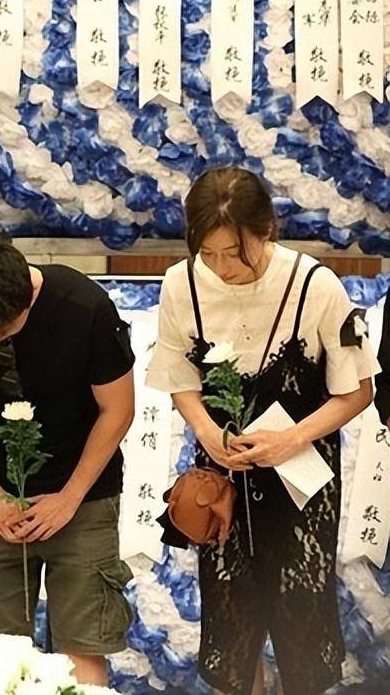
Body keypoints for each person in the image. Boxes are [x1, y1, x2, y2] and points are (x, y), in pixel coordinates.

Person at [147, 168, 376, 695]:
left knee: (302, 614)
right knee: (231, 616)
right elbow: (179, 377)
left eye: (235, 252)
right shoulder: (182, 284)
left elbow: (357, 391)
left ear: (267, 229)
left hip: (302, 479)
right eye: (208, 253)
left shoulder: (314, 285)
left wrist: (291, 438)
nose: (222, 267)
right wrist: (207, 431)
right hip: (223, 477)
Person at [0, 233, 135, 687]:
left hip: (84, 493)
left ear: (30, 296)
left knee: (83, 648)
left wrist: (69, 498)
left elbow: (117, 410)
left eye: (2, 328)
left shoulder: (84, 306)